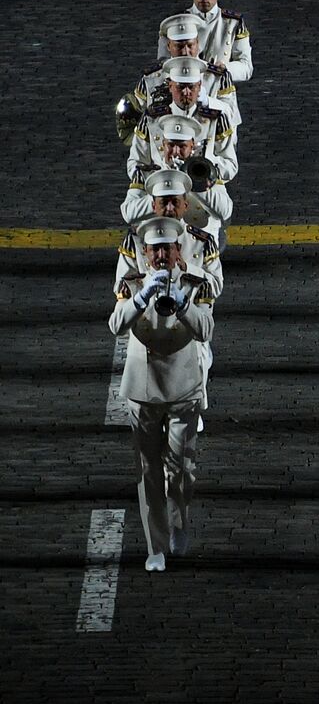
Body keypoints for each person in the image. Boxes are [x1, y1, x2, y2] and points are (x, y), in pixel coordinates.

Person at [108, 218, 217, 571]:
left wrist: (185, 304)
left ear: (176, 250)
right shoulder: (132, 282)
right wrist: (141, 297)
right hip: (142, 386)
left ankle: (179, 524)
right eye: (154, 249)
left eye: (166, 249)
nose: (160, 256)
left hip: (183, 385)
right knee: (148, 470)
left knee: (181, 468)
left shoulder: (195, 280)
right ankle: (155, 547)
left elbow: (206, 329)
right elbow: (115, 325)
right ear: (145, 252)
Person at [158, 0, 253, 96]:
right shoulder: (174, 22)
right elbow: (163, 64)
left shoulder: (233, 23)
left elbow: (246, 67)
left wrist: (225, 69)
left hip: (220, 93)